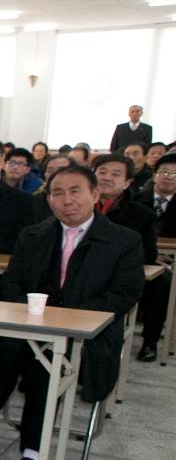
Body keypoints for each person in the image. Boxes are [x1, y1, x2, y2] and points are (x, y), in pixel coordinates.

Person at [0, 165, 145, 460]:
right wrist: (30, 313)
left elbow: (125, 293)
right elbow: (10, 283)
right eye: (58, 193)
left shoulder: (123, 240)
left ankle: (31, 456)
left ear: (94, 194)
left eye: (75, 191)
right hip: (29, 328)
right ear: (48, 201)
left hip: (84, 336)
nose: (66, 200)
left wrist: (66, 320)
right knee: (1, 357)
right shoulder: (33, 235)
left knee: (44, 369)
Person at [93, 154, 163, 362]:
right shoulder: (75, 207)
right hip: (80, 274)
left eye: (115, 174)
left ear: (127, 182)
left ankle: (149, 341)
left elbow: (149, 254)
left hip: (117, 276)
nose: (106, 178)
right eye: (102, 172)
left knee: (161, 283)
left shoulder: (141, 214)